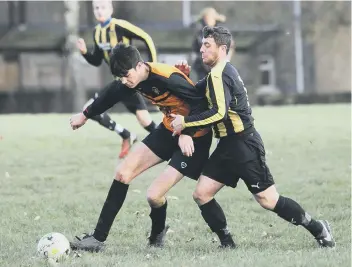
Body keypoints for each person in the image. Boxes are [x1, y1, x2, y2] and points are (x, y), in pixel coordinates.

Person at [171, 26, 335, 249]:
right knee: (202, 194)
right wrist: (183, 77)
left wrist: (185, 123)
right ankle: (227, 244)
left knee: (268, 200)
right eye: (202, 44)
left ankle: (318, 228)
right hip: (228, 145)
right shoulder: (218, 73)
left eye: (207, 45)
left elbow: (218, 112)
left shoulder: (220, 74)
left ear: (222, 49)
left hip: (244, 145)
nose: (201, 49)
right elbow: (195, 93)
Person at [69, 43, 212, 252]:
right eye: (120, 77)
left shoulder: (167, 77)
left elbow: (201, 104)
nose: (124, 81)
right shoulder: (131, 80)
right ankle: (97, 240)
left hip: (195, 136)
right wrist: (85, 115)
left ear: (138, 66)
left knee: (154, 196)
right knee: (122, 173)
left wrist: (187, 132)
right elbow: (110, 94)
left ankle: (158, 235)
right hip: (169, 130)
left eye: (126, 75)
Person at [77, 0, 158, 158]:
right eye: (96, 8)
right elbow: (97, 60)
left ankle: (166, 141)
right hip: (119, 83)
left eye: (103, 7)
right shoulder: (97, 32)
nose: (99, 11)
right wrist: (85, 52)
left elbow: (146, 38)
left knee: (144, 120)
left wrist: (153, 66)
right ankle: (127, 135)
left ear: (111, 9)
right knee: (90, 111)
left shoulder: (119, 26)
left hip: (130, 82)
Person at [191, 7, 226, 81]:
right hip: (202, 67)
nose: (208, 19)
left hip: (219, 66)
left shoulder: (222, 31)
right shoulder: (199, 33)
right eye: (206, 18)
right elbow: (195, 49)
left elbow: (229, 47)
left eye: (210, 17)